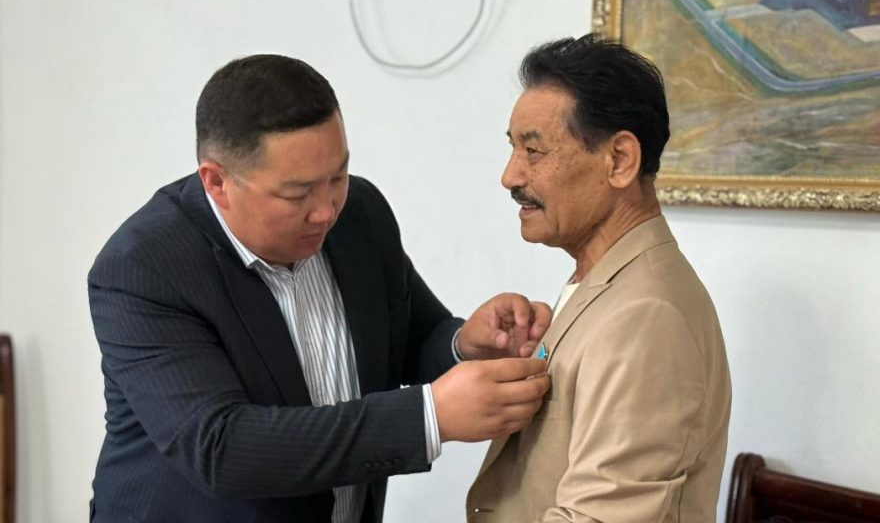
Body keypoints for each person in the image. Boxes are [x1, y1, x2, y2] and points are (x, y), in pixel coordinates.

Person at [88, 54, 552, 523]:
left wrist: (465, 344)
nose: (326, 211)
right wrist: (429, 417)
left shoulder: (361, 213)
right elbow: (223, 449)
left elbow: (411, 338)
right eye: (297, 194)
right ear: (217, 182)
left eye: (337, 177)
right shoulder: (143, 268)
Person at [466, 34, 732, 522]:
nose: (510, 176)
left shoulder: (647, 316)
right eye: (513, 148)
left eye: (534, 150)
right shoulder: (607, 280)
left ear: (620, 160)